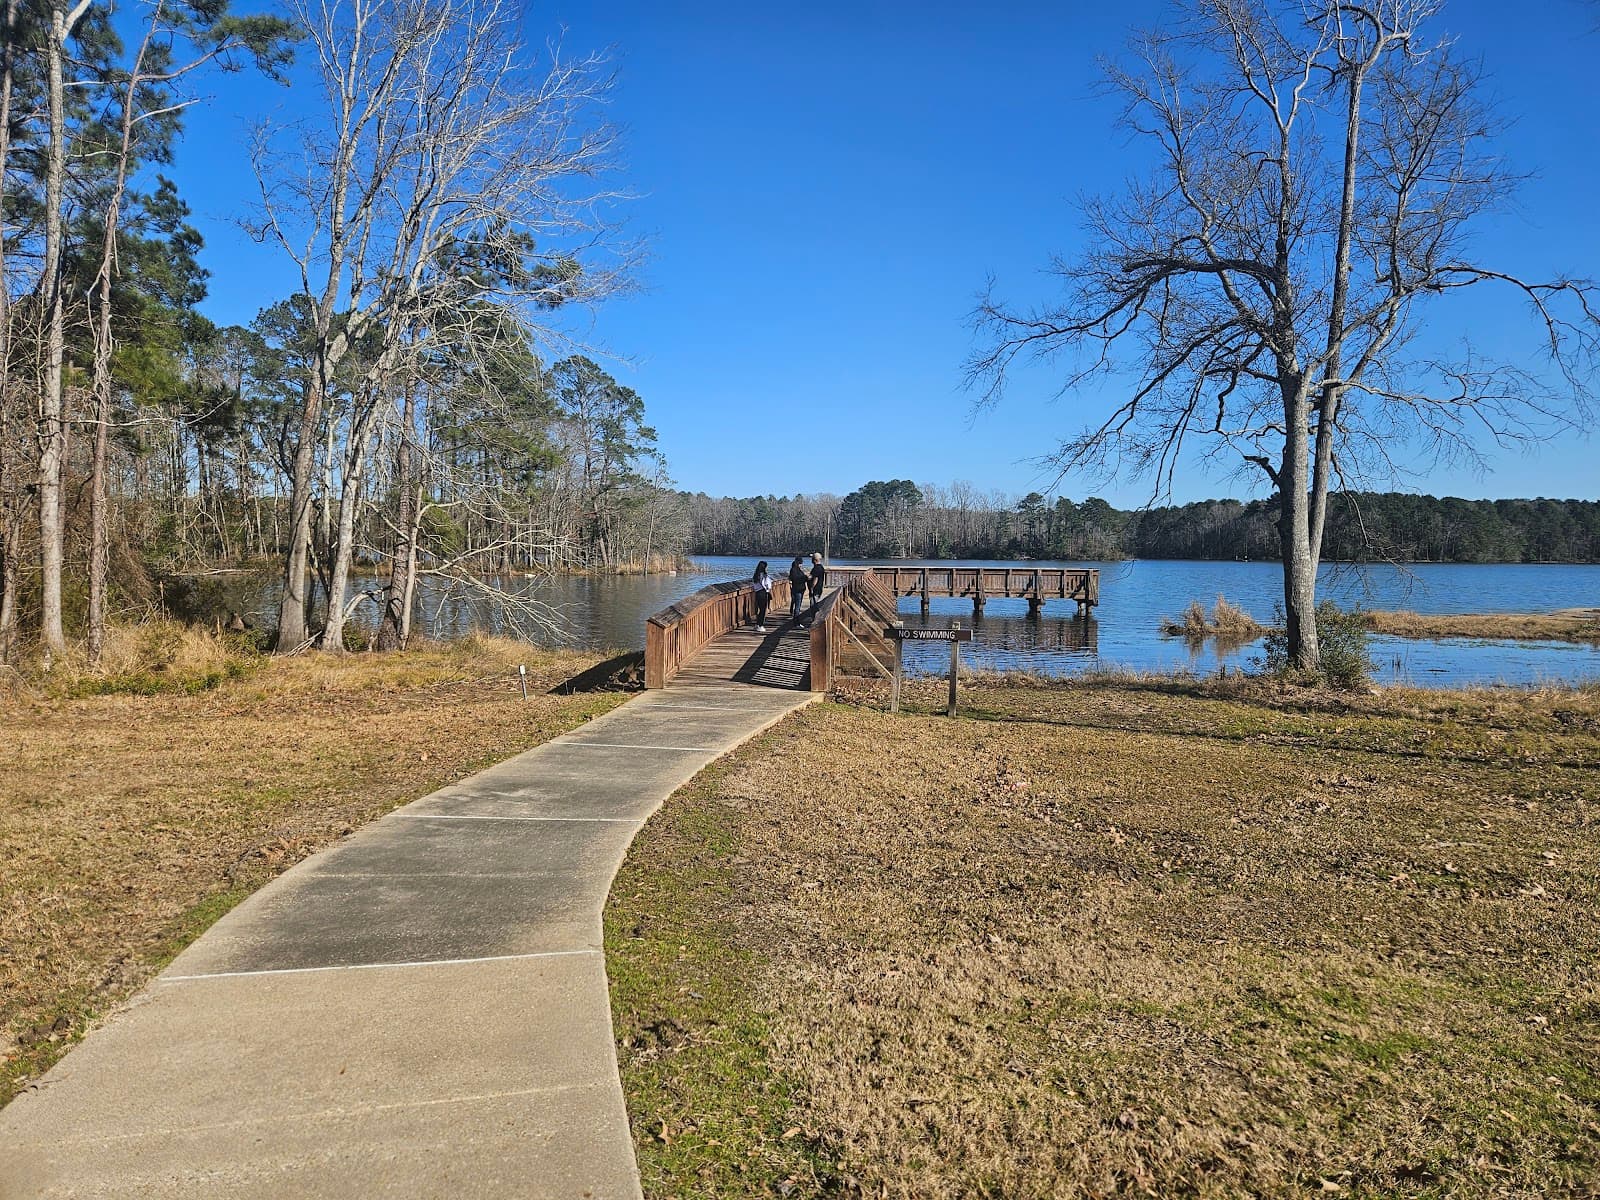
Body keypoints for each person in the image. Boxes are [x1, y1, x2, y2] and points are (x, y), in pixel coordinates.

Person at [751, 560, 772, 632]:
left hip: (757, 592)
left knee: (760, 609)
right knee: (763, 610)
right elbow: (766, 584)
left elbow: (754, 585)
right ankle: (760, 625)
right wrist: (768, 588)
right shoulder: (764, 575)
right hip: (763, 592)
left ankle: (757, 624)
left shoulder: (755, 575)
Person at [787, 555, 807, 622]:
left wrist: (805, 577)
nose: (801, 565)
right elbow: (796, 579)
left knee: (798, 605)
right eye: (800, 563)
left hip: (801, 589)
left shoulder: (799, 570)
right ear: (796, 563)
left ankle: (796, 618)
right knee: (797, 606)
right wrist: (805, 578)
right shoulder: (793, 570)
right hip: (797, 590)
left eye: (801, 563)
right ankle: (796, 621)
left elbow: (802, 578)